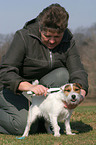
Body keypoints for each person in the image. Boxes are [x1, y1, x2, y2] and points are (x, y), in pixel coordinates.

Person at [0, 3, 88, 135]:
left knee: (62, 75)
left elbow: (77, 71)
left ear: (63, 32)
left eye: (57, 37)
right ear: (40, 29)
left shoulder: (68, 40)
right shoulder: (23, 37)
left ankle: (44, 120)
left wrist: (80, 95)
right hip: (16, 89)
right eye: (47, 36)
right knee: (22, 126)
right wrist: (29, 87)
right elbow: (5, 71)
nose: (52, 41)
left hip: (43, 91)